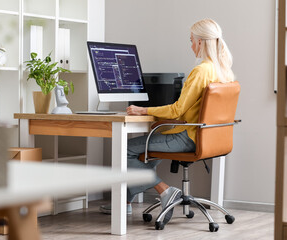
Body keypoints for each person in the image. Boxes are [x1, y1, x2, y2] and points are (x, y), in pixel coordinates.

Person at [100, 18, 235, 223]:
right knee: (146, 152)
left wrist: (143, 110)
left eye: (191, 41)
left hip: (187, 137)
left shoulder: (201, 71)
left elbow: (177, 110)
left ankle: (164, 191)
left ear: (200, 42)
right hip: (209, 138)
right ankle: (125, 202)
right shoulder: (223, 70)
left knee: (125, 149)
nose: (191, 46)